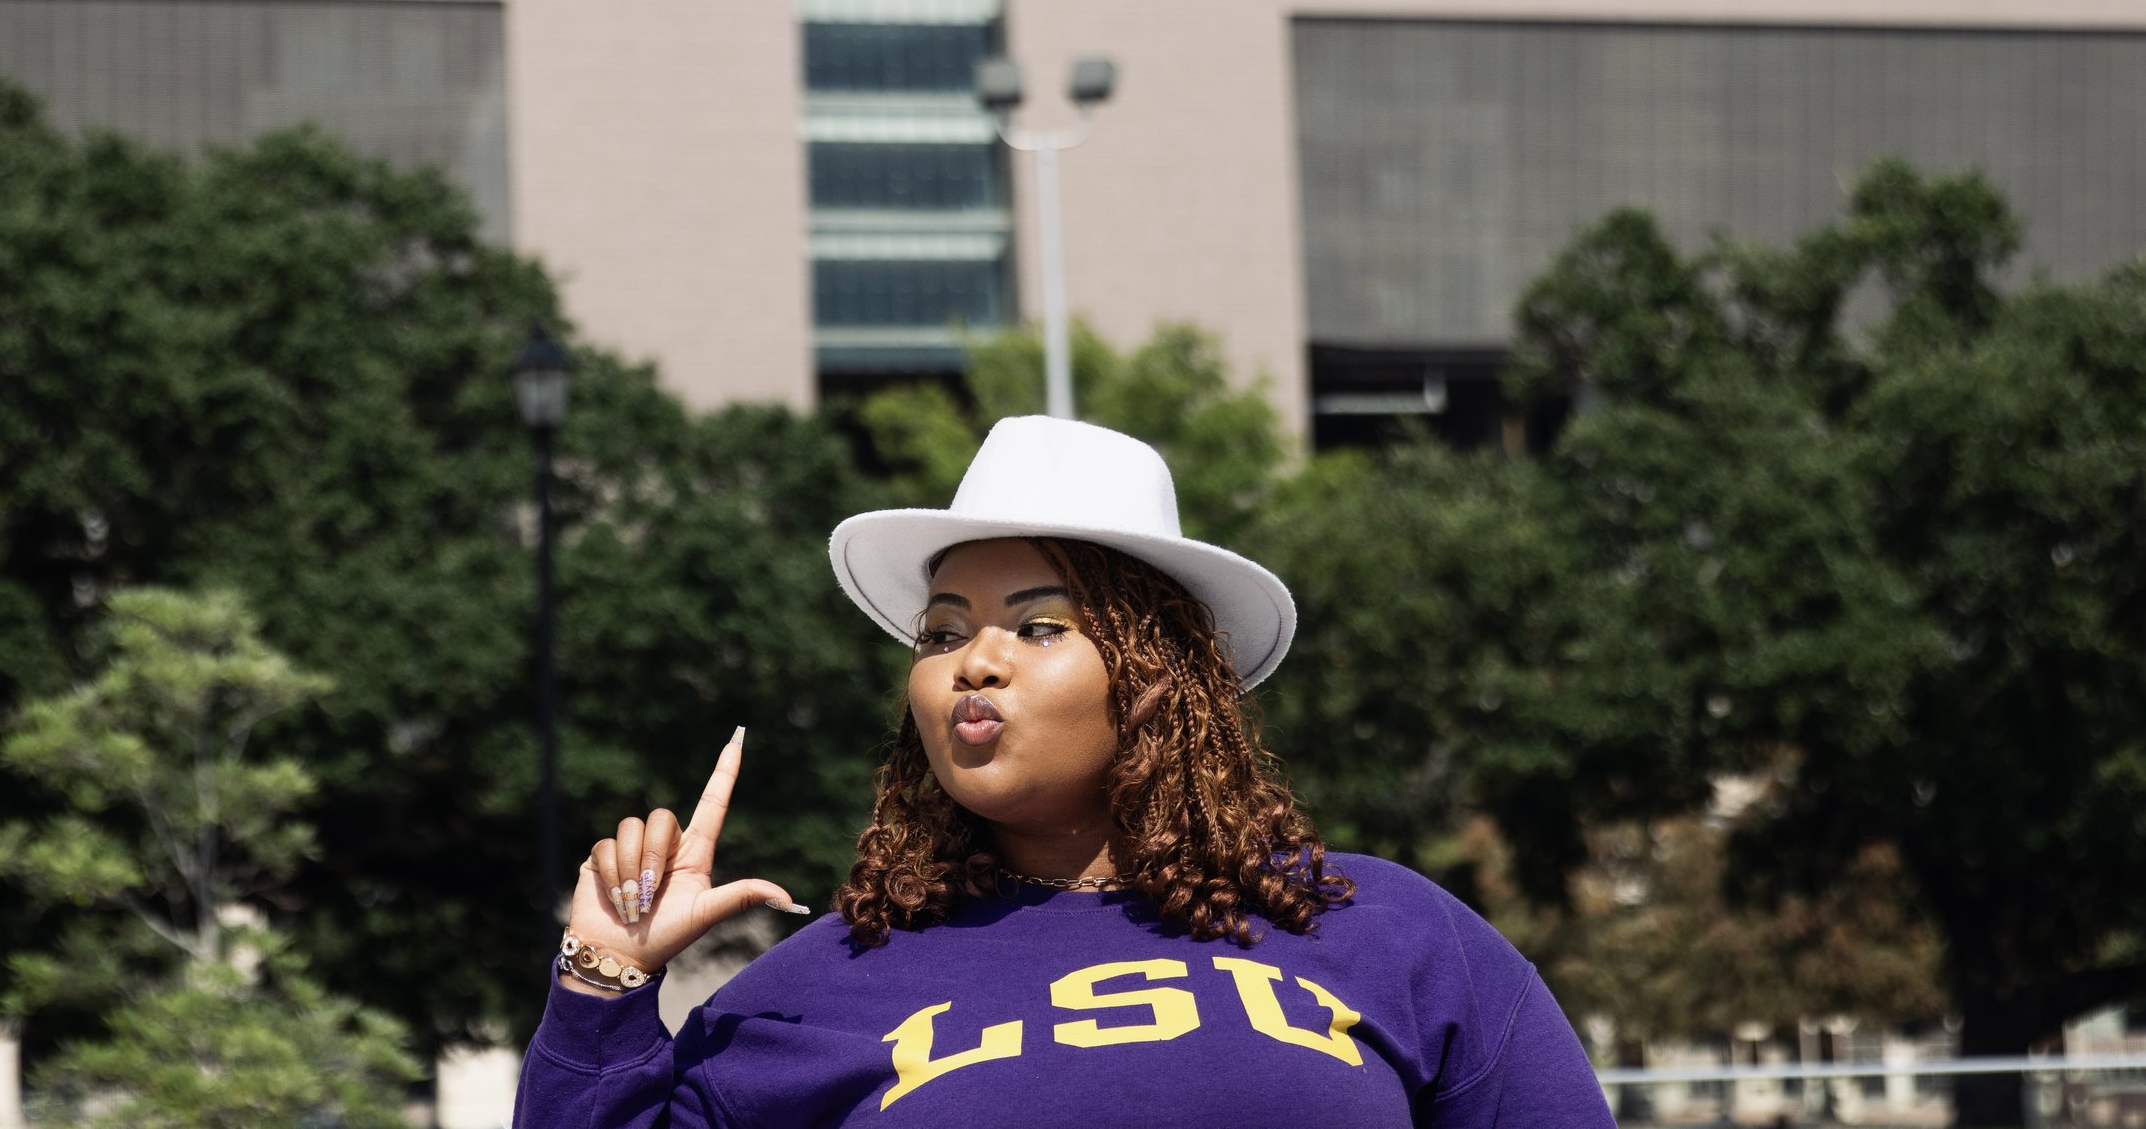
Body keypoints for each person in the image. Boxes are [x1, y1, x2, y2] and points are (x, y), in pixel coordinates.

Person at [515, 415, 1615, 1129]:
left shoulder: (1387, 928)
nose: (972, 658)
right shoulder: (823, 984)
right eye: (941, 631)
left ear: (1154, 676)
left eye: (1037, 624)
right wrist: (601, 981)